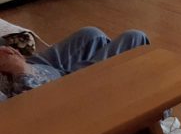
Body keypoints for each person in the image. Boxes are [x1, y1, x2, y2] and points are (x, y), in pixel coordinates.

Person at [0, 27, 149, 101]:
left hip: (31, 69)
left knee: (92, 35)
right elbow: (29, 110)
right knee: (134, 39)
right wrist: (21, 69)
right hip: (42, 92)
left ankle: (106, 87)